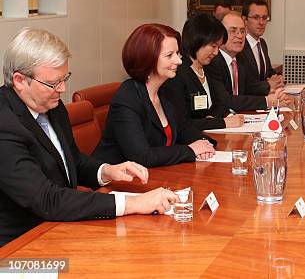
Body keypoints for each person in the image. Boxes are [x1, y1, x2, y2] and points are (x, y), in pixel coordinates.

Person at [0, 28, 180, 246]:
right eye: (53, 83)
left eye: (64, 78)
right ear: (19, 80)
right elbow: (46, 199)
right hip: (19, 246)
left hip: (59, 226)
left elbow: (72, 160)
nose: (63, 89)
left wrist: (107, 171)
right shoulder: (5, 124)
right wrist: (132, 202)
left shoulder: (51, 106)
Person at [92, 24, 216, 168]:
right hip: (117, 182)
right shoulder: (127, 98)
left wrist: (205, 143)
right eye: (170, 55)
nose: (179, 61)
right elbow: (142, 157)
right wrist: (191, 150)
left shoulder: (166, 90)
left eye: (178, 54)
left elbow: (183, 129)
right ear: (147, 59)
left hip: (156, 175)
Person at [161, 13, 244, 130]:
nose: (216, 52)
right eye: (213, 46)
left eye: (219, 47)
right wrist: (221, 123)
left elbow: (220, 103)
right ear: (197, 41)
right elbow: (181, 123)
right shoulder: (177, 74)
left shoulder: (209, 67)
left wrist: (212, 118)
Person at [205, 12, 289, 111]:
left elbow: (249, 89)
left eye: (242, 31)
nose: (240, 36)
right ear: (219, 34)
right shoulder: (212, 61)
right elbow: (225, 101)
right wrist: (267, 101)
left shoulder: (240, 58)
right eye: (233, 31)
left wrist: (274, 93)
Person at [238, 0, 284, 92]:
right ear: (244, 20)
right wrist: (268, 85)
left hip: (266, 98)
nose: (261, 22)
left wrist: (277, 78)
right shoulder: (239, 46)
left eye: (264, 17)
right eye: (256, 17)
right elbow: (244, 84)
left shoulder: (262, 43)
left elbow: (267, 72)